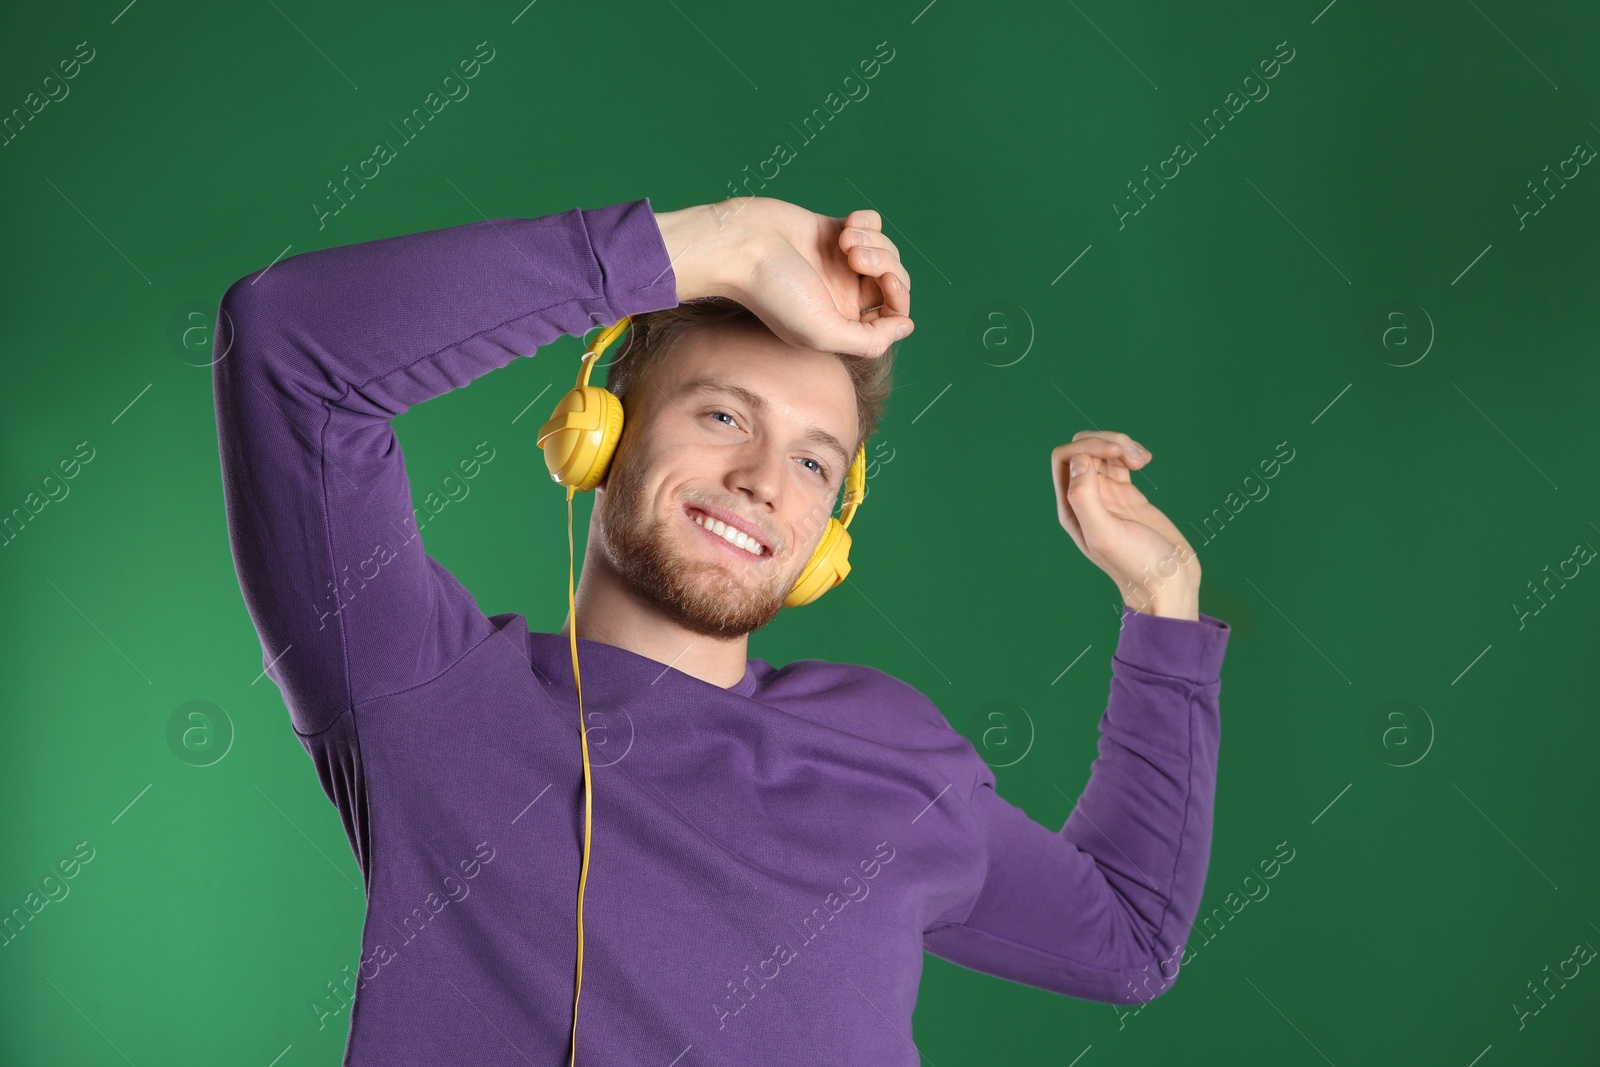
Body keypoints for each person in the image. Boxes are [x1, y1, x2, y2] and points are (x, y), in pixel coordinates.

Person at [210, 194, 1230, 1065]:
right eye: (723, 417)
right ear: (600, 429)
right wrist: (726, 241)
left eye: (813, 463)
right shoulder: (419, 687)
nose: (761, 484)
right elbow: (287, 348)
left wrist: (1163, 597)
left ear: (829, 533)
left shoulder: (891, 743)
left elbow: (1127, 937)